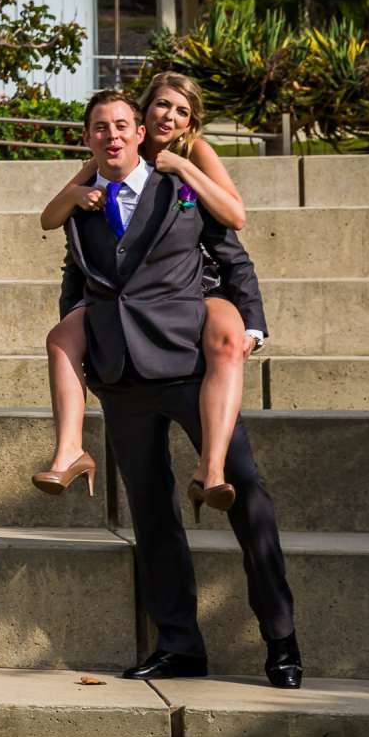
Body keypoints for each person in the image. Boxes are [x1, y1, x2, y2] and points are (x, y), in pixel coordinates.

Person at [60, 91, 298, 688]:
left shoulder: (183, 187)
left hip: (193, 366)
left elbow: (232, 256)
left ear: (139, 131)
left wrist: (251, 324)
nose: (111, 136)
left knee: (246, 495)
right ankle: (179, 645)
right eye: (99, 128)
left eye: (121, 125)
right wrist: (89, 353)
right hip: (122, 377)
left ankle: (281, 640)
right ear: (89, 137)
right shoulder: (82, 200)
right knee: (152, 516)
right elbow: (76, 280)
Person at [33, 71, 261, 505]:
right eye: (162, 105)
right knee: (61, 338)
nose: (169, 117)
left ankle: (211, 469)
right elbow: (53, 219)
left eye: (181, 112)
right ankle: (69, 451)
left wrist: (184, 166)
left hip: (196, 280)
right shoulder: (108, 151)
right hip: (126, 306)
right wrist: (81, 194)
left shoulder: (191, 154)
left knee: (229, 338)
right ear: (145, 111)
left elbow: (234, 221)